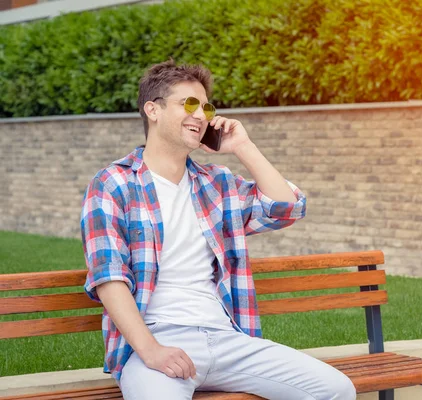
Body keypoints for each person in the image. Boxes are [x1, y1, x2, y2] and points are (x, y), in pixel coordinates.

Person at [80, 59, 356, 400]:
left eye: (206, 107)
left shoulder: (216, 183)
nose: (201, 115)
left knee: (336, 390)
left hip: (228, 339)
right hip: (156, 342)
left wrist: (243, 147)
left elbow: (287, 209)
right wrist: (151, 350)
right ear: (153, 109)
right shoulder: (112, 184)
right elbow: (109, 277)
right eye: (189, 104)